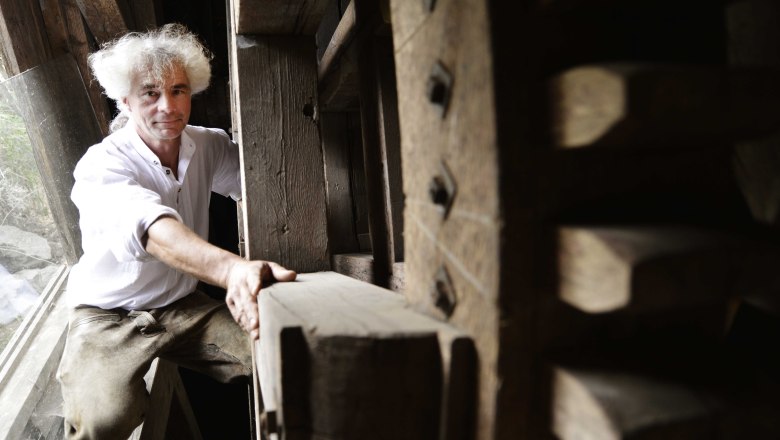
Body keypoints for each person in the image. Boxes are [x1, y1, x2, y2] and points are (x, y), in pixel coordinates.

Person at [56, 23, 296, 439]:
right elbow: (150, 228)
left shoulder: (209, 145)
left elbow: (266, 184)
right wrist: (232, 271)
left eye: (179, 89)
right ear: (125, 100)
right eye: (150, 92)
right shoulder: (101, 165)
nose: (168, 105)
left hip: (183, 307)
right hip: (108, 315)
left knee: (283, 360)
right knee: (103, 422)